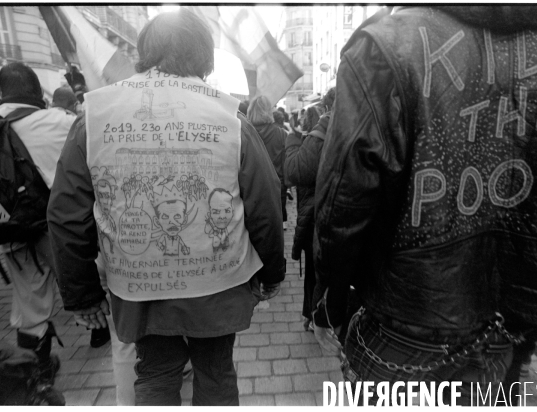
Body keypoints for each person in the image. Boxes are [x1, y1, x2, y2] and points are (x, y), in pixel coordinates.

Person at [312, 5, 537, 406]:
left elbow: (344, 205)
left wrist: (328, 302)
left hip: (409, 317)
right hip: (520, 317)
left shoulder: (385, 44)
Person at [47, 9, 285, 406]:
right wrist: (272, 271)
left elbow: (66, 215)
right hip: (218, 280)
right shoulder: (230, 117)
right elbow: (265, 201)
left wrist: (82, 294)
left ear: (144, 52)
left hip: (139, 285)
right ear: (205, 58)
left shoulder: (95, 115)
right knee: (216, 371)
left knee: (154, 372)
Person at [0, 62, 77, 391]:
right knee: (101, 290)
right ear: (36, 90)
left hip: (12, 234)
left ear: (0, 92)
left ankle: (38, 374)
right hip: (62, 231)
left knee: (30, 307)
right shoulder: (61, 121)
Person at [284, 88, 335, 332]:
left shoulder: (323, 131)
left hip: (321, 216)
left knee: (317, 270)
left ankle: (316, 315)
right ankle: (316, 314)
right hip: (349, 215)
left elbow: (294, 171)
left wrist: (293, 139)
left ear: (326, 108)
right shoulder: (369, 124)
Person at [248, 95, 289, 230]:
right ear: (269, 111)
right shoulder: (281, 134)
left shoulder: (245, 132)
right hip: (276, 187)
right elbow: (285, 164)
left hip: (251, 187)